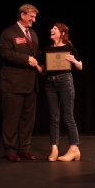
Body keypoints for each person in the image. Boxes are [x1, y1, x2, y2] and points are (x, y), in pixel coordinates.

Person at [36, 22, 83, 162]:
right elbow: (43, 71)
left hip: (65, 81)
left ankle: (74, 148)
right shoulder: (47, 49)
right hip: (50, 83)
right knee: (53, 117)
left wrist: (74, 60)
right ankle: (54, 149)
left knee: (68, 116)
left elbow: (80, 66)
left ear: (62, 33)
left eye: (54, 28)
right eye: (52, 28)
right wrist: (35, 65)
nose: (51, 30)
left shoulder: (69, 48)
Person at [0, 3, 40, 162]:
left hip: (30, 84)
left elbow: (37, 55)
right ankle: (10, 150)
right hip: (13, 84)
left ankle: (24, 149)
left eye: (35, 17)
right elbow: (6, 54)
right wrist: (26, 59)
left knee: (27, 119)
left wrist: (55, 54)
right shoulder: (8, 33)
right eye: (31, 16)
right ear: (22, 15)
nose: (34, 20)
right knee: (11, 118)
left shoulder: (34, 34)